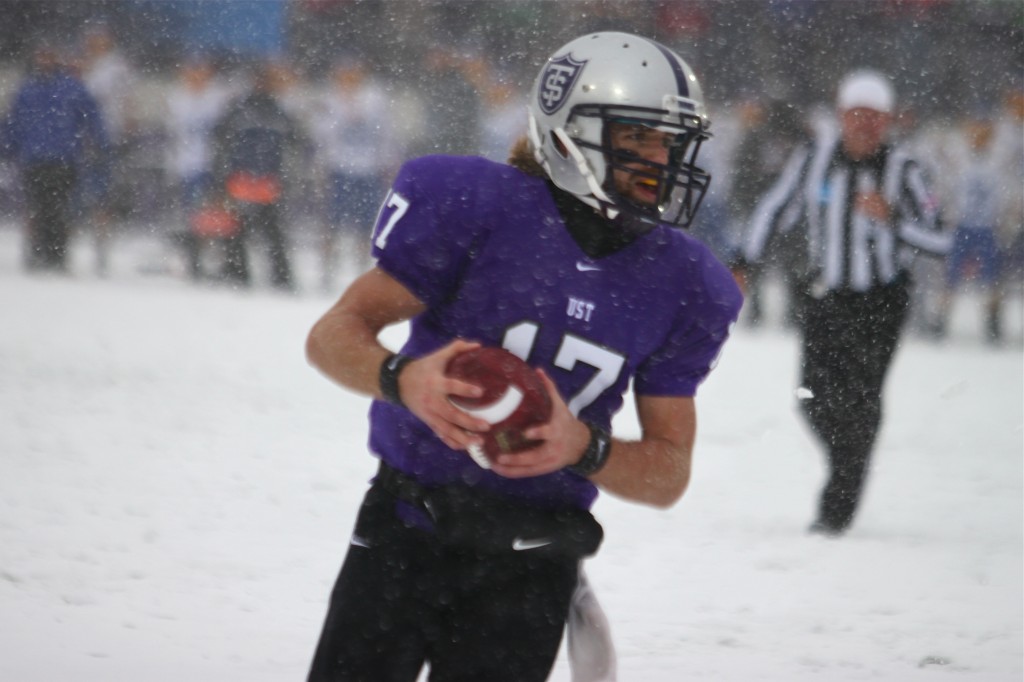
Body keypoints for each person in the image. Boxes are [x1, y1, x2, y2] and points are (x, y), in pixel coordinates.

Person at [304, 31, 742, 681]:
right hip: (403, 530)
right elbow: (334, 334)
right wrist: (403, 378)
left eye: (671, 141)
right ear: (568, 131)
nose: (661, 158)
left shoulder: (686, 283)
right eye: (639, 138)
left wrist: (584, 448)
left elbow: (669, 469)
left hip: (535, 559)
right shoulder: (474, 206)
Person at [735, 70, 950, 536]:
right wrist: (744, 261)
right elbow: (776, 206)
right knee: (811, 399)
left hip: (882, 300)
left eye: (875, 117)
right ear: (841, 116)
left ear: (889, 120)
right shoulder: (814, 158)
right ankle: (850, 463)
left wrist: (893, 219)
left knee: (861, 399)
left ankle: (838, 501)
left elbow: (939, 238)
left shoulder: (906, 169)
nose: (865, 125)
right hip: (825, 295)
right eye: (856, 114)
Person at [0, 41, 109, 272]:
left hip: (64, 157)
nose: (45, 60)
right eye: (42, 55)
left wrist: (99, 144)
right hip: (34, 158)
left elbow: (92, 117)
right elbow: (13, 122)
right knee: (37, 207)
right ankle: (38, 253)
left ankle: (57, 255)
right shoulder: (27, 89)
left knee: (60, 208)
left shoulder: (71, 88)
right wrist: (8, 148)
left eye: (49, 55)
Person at [211, 59, 306, 290]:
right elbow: (222, 141)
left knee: (257, 230)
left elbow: (293, 144)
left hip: (258, 179)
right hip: (250, 179)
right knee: (249, 230)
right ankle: (258, 273)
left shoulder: (262, 110)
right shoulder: (257, 110)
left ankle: (249, 272)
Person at [308, 55, 397, 288]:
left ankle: (361, 269)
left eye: (353, 72)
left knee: (365, 224)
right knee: (333, 222)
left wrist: (387, 162)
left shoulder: (375, 98)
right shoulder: (329, 98)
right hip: (339, 167)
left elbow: (386, 133)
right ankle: (327, 271)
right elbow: (320, 135)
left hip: (368, 168)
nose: (348, 78)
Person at [931, 107, 1015, 343]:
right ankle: (940, 320)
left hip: (987, 227)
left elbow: (1007, 194)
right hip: (962, 226)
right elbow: (944, 189)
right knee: (950, 277)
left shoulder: (998, 162)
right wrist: (944, 214)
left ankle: (992, 322)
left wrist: (1005, 219)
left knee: (992, 278)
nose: (979, 137)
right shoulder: (960, 160)